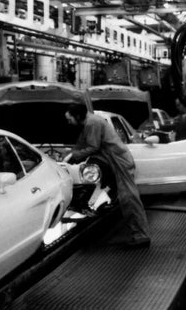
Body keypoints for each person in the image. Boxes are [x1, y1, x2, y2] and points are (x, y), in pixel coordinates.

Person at [65, 102, 151, 248]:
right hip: (115, 160)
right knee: (127, 198)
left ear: (78, 116)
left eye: (69, 119)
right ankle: (139, 234)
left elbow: (93, 146)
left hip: (120, 162)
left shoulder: (92, 123)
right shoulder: (90, 122)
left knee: (128, 198)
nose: (68, 122)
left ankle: (141, 236)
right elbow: (81, 143)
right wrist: (70, 153)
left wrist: (74, 156)